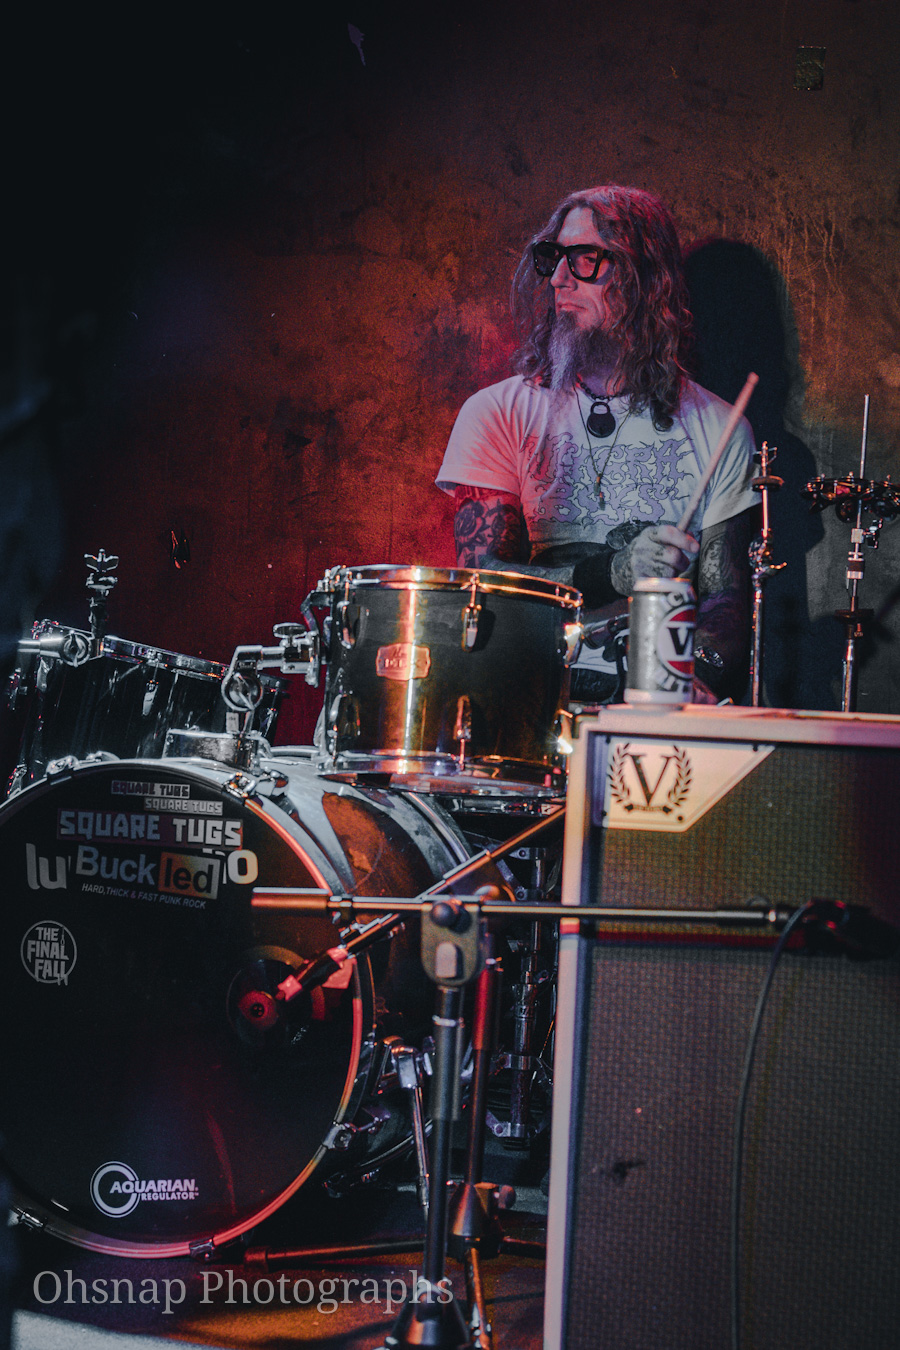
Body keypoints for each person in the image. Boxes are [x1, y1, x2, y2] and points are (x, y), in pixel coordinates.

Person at [436, 185, 758, 703]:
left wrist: (693, 680)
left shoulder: (719, 428)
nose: (559, 279)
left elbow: (726, 603)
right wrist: (613, 573)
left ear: (645, 278)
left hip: (652, 710)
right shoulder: (498, 411)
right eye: (554, 258)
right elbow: (484, 582)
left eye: (586, 259)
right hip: (528, 700)